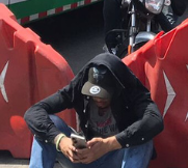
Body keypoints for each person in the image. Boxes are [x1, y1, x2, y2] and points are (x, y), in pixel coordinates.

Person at [25, 54, 162, 168]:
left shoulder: (130, 91)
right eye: (94, 96)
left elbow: (154, 120)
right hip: (85, 157)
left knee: (143, 139)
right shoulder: (78, 87)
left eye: (104, 96)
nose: (98, 100)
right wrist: (60, 140)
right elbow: (34, 112)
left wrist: (109, 144)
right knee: (46, 126)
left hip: (116, 158)